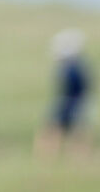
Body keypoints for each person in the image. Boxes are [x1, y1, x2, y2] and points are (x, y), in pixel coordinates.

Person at [34, 29, 93, 159]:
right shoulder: (77, 65)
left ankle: (48, 155)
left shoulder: (72, 67)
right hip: (73, 102)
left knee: (58, 129)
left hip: (69, 102)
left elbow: (73, 88)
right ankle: (60, 155)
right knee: (74, 131)